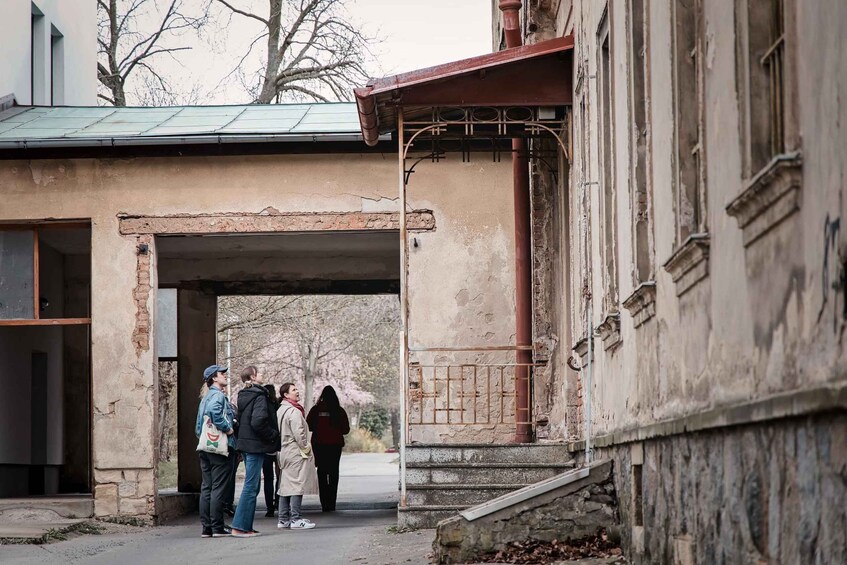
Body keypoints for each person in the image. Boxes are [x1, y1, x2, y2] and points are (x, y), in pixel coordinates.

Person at [230, 366, 280, 538]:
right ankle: (239, 526)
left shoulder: (244, 395)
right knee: (251, 487)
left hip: (245, 444)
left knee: (253, 485)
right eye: (260, 373)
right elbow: (258, 421)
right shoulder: (259, 396)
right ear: (253, 376)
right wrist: (273, 435)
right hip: (255, 445)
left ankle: (246, 526)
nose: (262, 374)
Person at [195, 364, 235, 538]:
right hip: (218, 448)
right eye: (221, 374)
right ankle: (217, 527)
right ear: (214, 378)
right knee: (218, 487)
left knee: (207, 487)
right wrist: (228, 429)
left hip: (205, 447)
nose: (225, 376)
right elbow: (215, 413)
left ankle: (207, 528)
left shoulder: (205, 397)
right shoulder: (218, 396)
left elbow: (198, 426)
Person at [277, 382, 318, 530]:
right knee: (296, 485)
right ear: (286, 395)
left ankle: (282, 519)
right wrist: (306, 448)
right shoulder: (294, 412)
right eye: (294, 390)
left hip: (283, 451)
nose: (298, 391)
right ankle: (295, 518)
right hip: (295, 452)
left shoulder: (280, 410)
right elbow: (299, 433)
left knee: (285, 485)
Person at [306, 385, 350, 512]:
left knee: (321, 472)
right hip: (335, 445)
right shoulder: (339, 411)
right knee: (334, 472)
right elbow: (346, 429)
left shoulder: (316, 409)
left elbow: (309, 425)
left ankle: (324, 503)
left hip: (319, 445)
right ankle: (332, 503)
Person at [262, 383, 281, 517]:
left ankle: (269, 507)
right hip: (279, 445)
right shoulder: (278, 407)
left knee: (268, 478)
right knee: (280, 476)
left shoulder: (262, 407)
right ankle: (278, 502)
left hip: (265, 445)